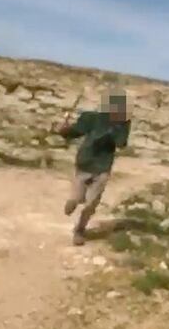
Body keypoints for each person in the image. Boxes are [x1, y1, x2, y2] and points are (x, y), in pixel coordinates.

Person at [53, 88, 131, 245]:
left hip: (102, 167)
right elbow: (75, 131)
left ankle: (79, 231)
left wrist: (114, 132)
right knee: (76, 198)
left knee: (91, 204)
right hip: (85, 163)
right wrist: (63, 130)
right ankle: (73, 202)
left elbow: (121, 143)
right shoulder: (93, 118)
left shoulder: (123, 124)